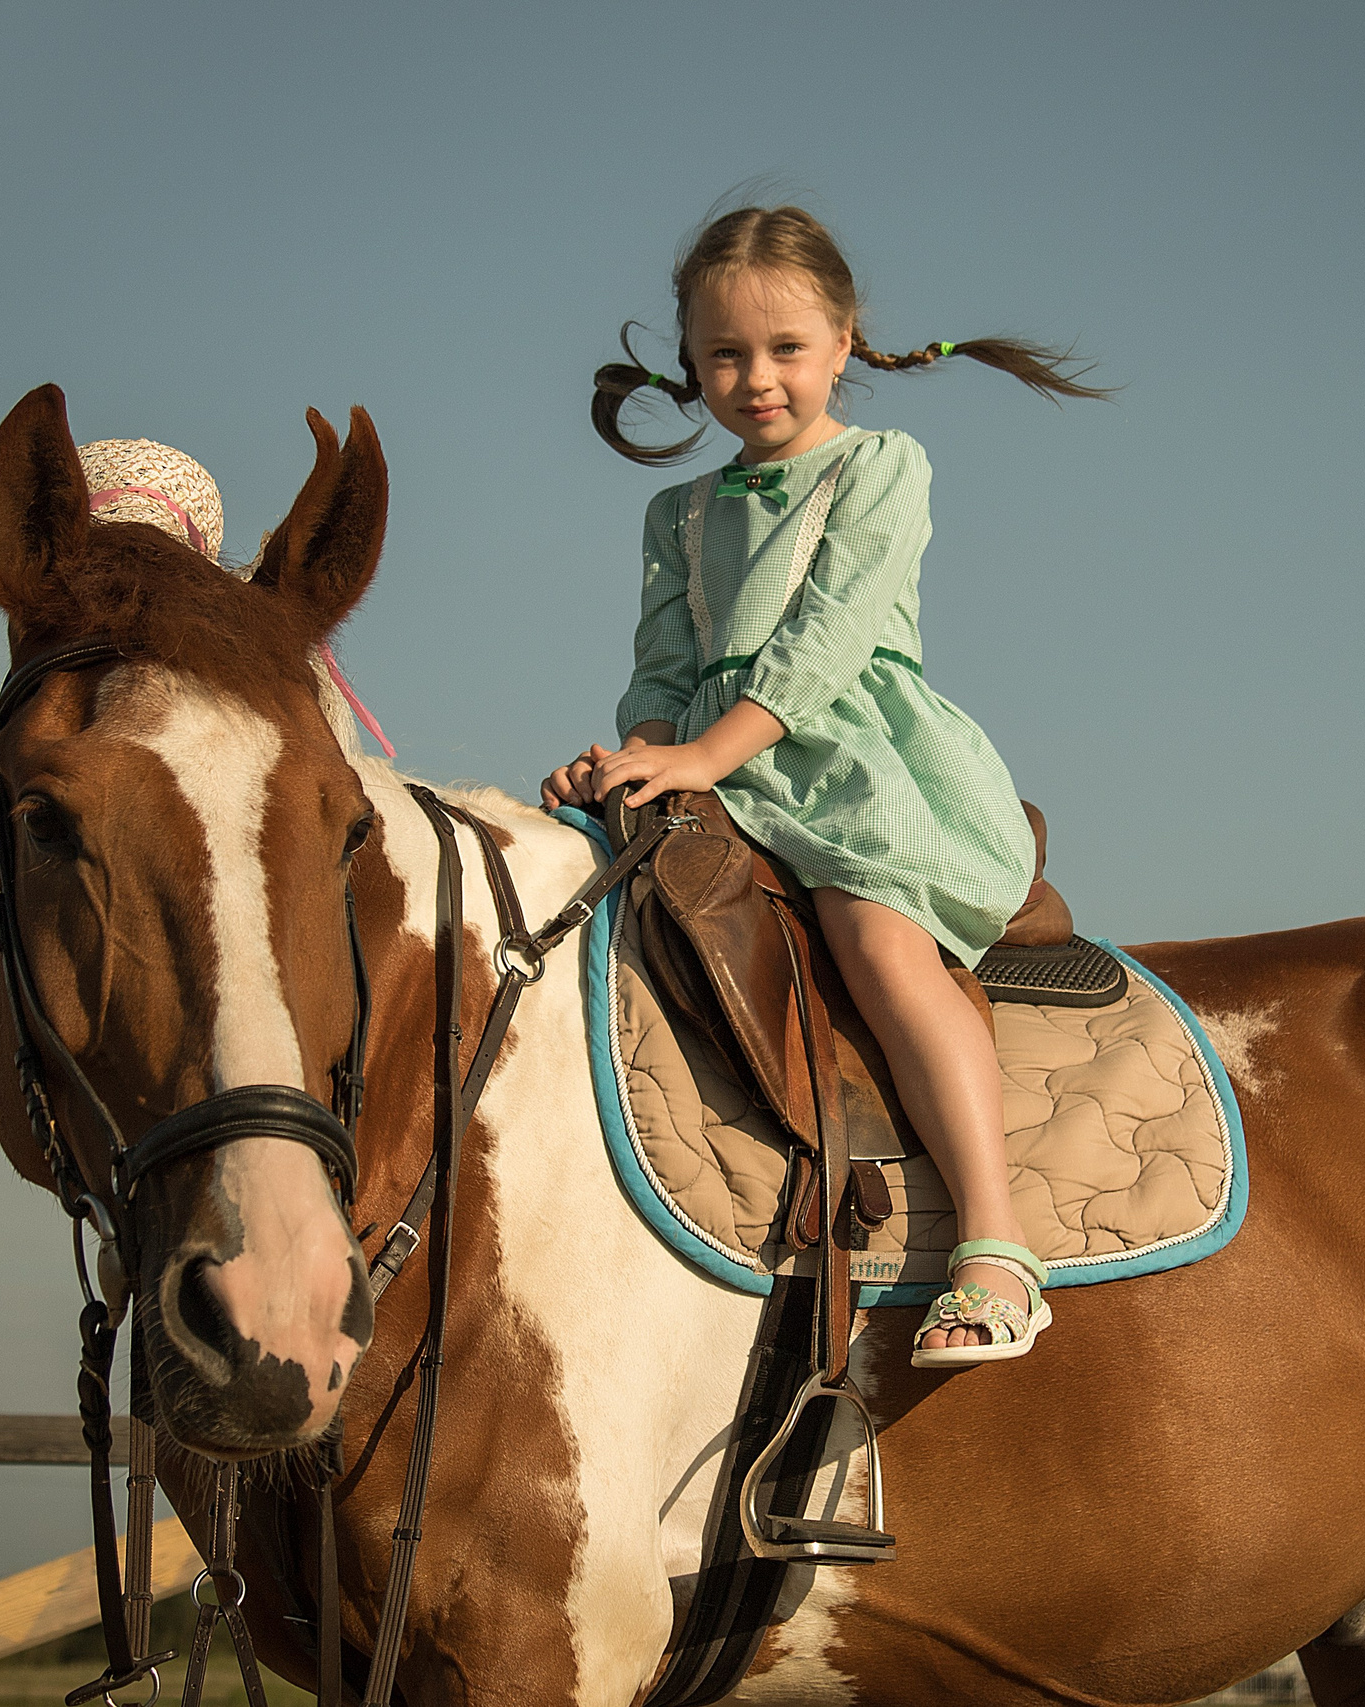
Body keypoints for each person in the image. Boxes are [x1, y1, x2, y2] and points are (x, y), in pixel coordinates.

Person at [543, 205, 1107, 1366]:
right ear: (689, 364)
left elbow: (828, 637)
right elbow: (659, 665)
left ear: (844, 341)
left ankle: (998, 1244)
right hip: (715, 765)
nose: (756, 380)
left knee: (874, 942)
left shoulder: (882, 466)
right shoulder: (678, 511)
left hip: (847, 760)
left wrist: (703, 753)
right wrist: (638, 755)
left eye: (786, 348)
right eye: (725, 357)